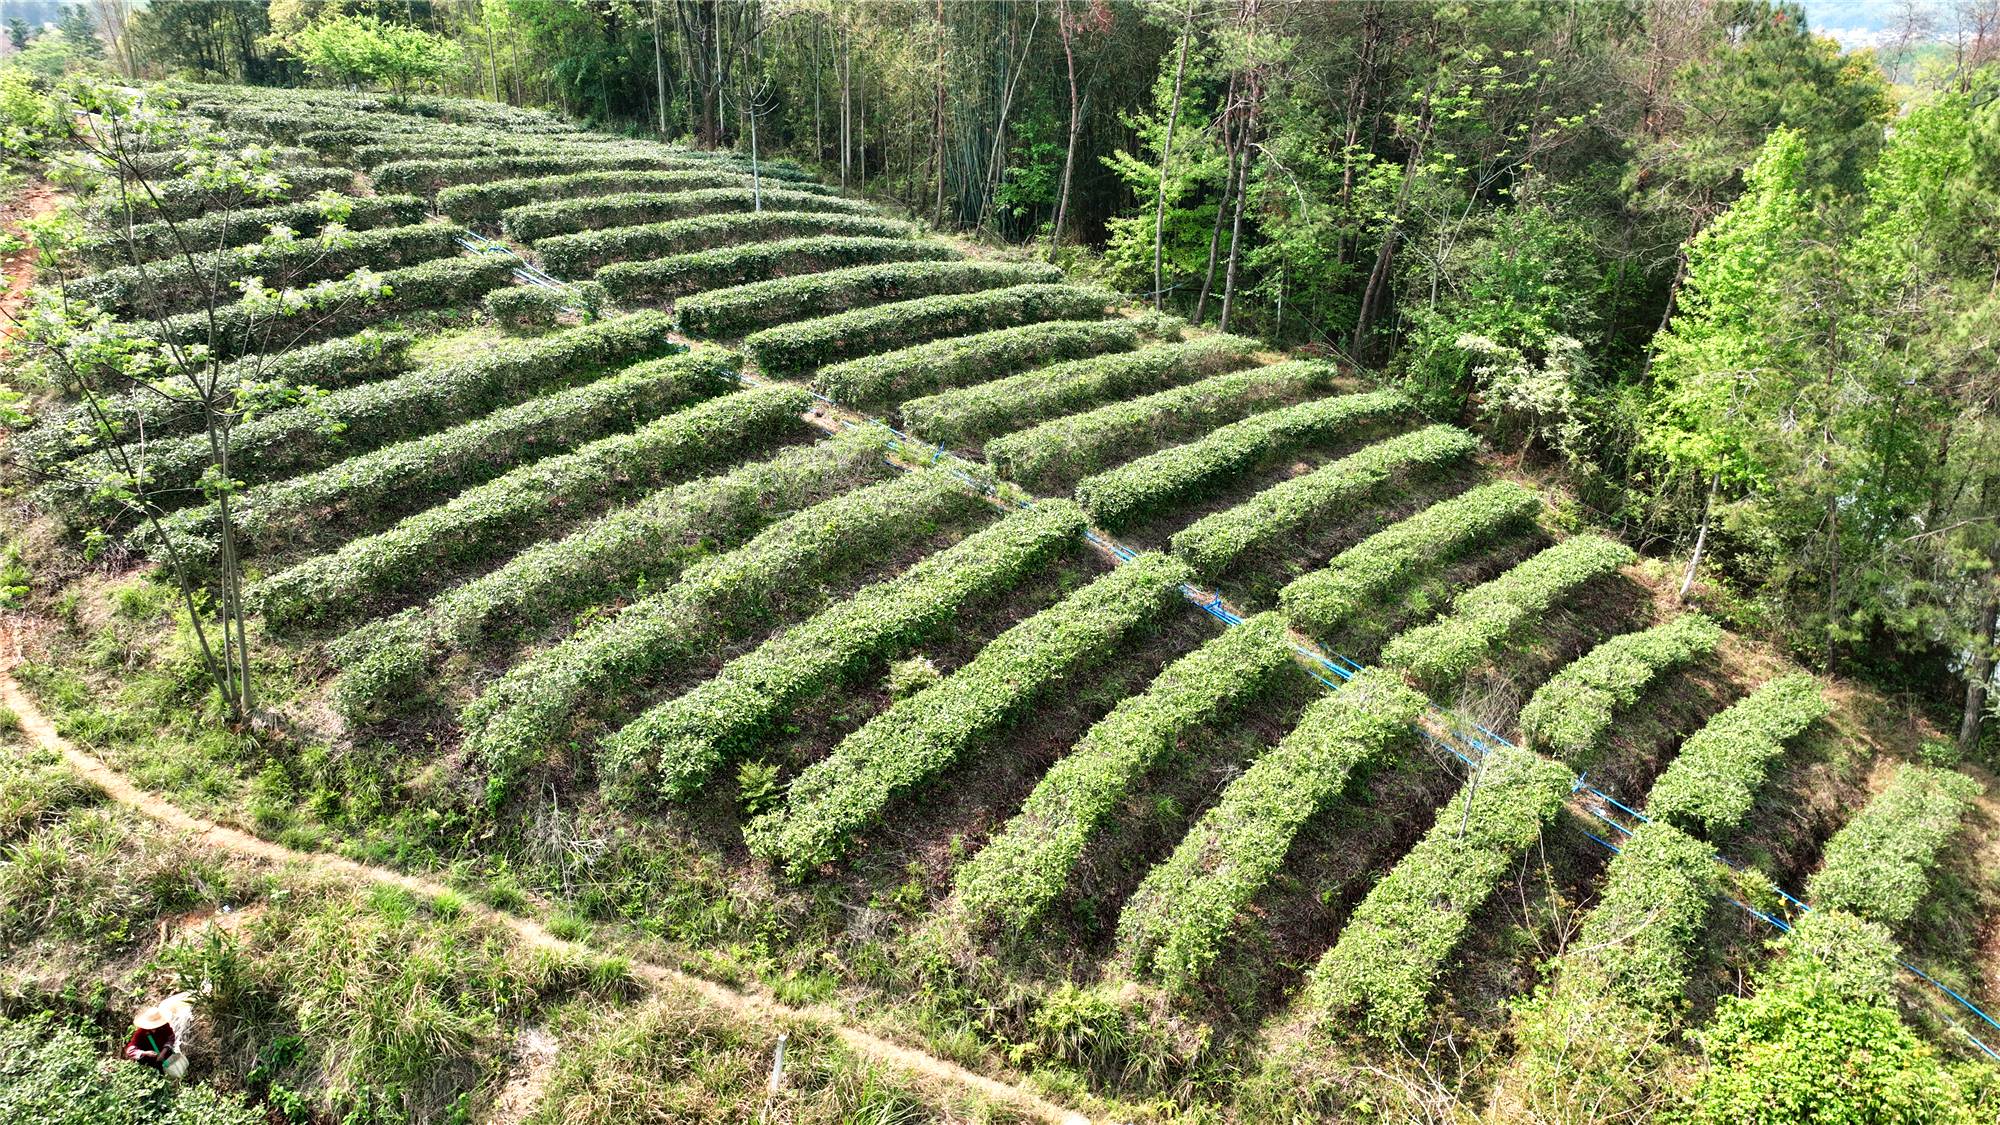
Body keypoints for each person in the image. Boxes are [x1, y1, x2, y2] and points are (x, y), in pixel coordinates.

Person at [124, 993, 193, 1077]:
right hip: (149, 1061)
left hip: (165, 1056)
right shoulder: (141, 1033)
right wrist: (145, 1053)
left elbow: (171, 1038)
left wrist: (163, 1052)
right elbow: (130, 1050)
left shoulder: (164, 1026)